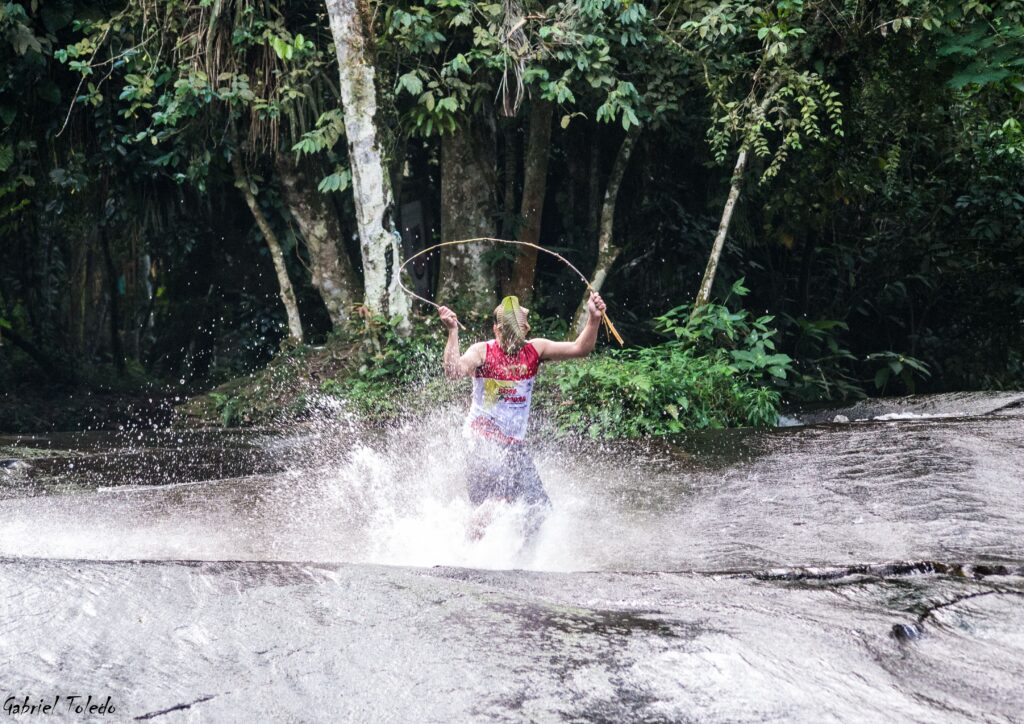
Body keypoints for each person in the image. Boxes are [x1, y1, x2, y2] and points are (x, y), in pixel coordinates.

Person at [438, 292, 607, 540]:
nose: (511, 340)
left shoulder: (535, 350)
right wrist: (453, 331)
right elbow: (453, 371)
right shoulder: (482, 352)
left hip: (513, 447)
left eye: (517, 334)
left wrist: (594, 318)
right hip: (481, 441)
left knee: (539, 509)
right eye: (506, 333)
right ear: (496, 329)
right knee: (496, 501)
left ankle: (518, 563)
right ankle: (462, 554)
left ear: (526, 330)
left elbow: (580, 348)